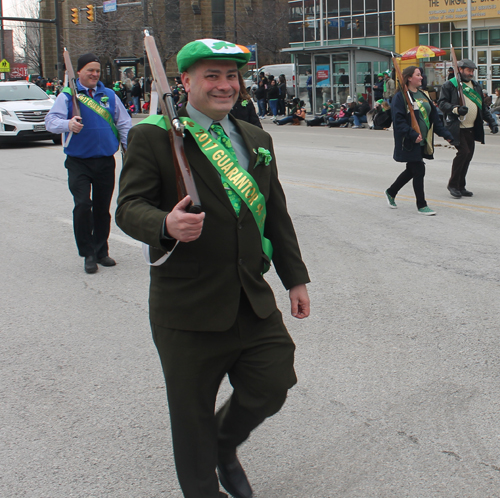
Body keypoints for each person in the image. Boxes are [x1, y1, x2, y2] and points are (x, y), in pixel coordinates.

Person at [115, 38, 310, 498]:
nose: (225, 86)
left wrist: (295, 278)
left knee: (274, 379)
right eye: (213, 76)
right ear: (185, 82)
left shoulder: (256, 138)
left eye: (231, 76)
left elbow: (276, 214)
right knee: (191, 413)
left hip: (249, 296)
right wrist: (165, 222)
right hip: (188, 305)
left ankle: (224, 447)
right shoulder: (154, 136)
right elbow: (128, 208)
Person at [45, 53, 132, 273]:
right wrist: (68, 124)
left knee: (102, 209)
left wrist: (129, 148)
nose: (94, 74)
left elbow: (124, 123)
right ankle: (88, 253)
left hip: (104, 161)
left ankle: (102, 251)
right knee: (83, 205)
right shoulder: (68, 96)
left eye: (97, 71)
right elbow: (50, 121)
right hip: (79, 162)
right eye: (90, 70)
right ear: (79, 72)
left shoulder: (109, 95)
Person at [384, 66, 453, 216]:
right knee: (419, 169)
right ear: (409, 78)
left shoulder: (423, 95)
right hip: (409, 142)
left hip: (423, 140)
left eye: (421, 75)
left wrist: (447, 135)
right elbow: (399, 121)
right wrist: (412, 134)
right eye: (418, 75)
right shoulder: (400, 97)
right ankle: (421, 205)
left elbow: (434, 119)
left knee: (412, 170)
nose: (421, 77)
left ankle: (391, 191)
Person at [438, 59, 498, 198]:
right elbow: (442, 104)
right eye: (468, 71)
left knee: (468, 156)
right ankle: (453, 185)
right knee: (463, 153)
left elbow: (482, 107)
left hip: (472, 127)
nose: (471, 73)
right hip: (457, 126)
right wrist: (456, 109)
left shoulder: (475, 86)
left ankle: (461, 185)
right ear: (460, 70)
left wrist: (491, 122)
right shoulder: (450, 85)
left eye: (472, 71)